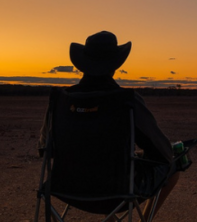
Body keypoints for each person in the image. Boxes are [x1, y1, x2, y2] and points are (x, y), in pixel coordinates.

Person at [39, 31, 180, 220]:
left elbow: (44, 149)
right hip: (118, 193)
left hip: (66, 189)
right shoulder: (126, 101)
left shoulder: (61, 101)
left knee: (112, 166)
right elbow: (162, 153)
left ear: (82, 65)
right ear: (115, 66)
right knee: (174, 167)